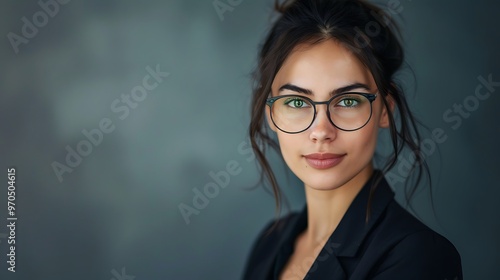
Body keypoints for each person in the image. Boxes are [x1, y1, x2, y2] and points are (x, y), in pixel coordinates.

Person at [242, 0, 463, 279]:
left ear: (385, 108)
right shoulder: (269, 244)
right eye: (297, 102)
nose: (321, 131)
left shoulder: (419, 257)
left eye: (347, 101)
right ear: (271, 113)